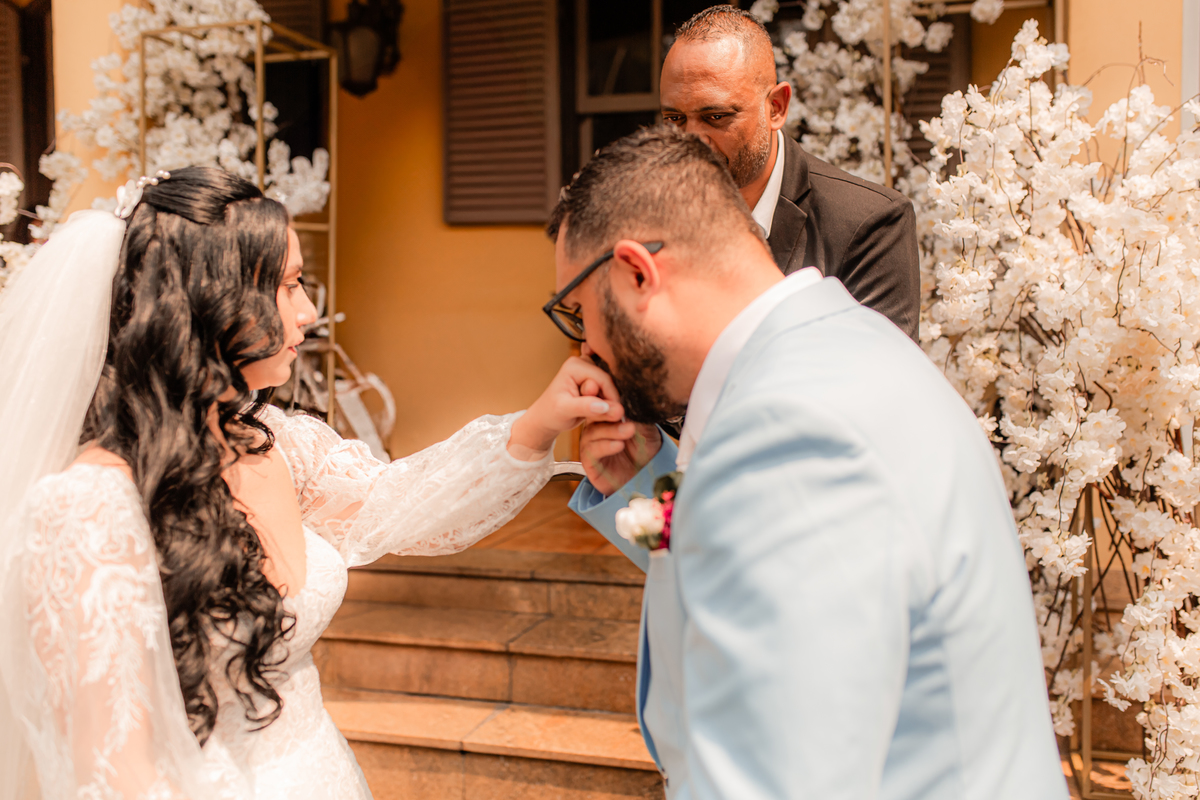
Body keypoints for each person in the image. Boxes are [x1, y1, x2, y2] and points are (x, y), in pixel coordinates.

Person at [0, 167, 625, 800]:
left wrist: (538, 423)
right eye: (290, 284)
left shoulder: (276, 441)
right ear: (210, 299)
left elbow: (397, 504)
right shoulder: (89, 507)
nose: (310, 311)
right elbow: (112, 774)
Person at [542, 126, 1067, 799]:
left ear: (637, 272)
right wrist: (642, 487)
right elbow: (732, 562)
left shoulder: (790, 429)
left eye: (577, 312)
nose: (585, 347)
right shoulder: (839, 352)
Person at [660, 5, 920, 340]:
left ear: (776, 107)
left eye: (715, 117)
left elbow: (881, 381)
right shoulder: (645, 214)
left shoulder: (870, 225)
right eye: (675, 119)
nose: (692, 141)